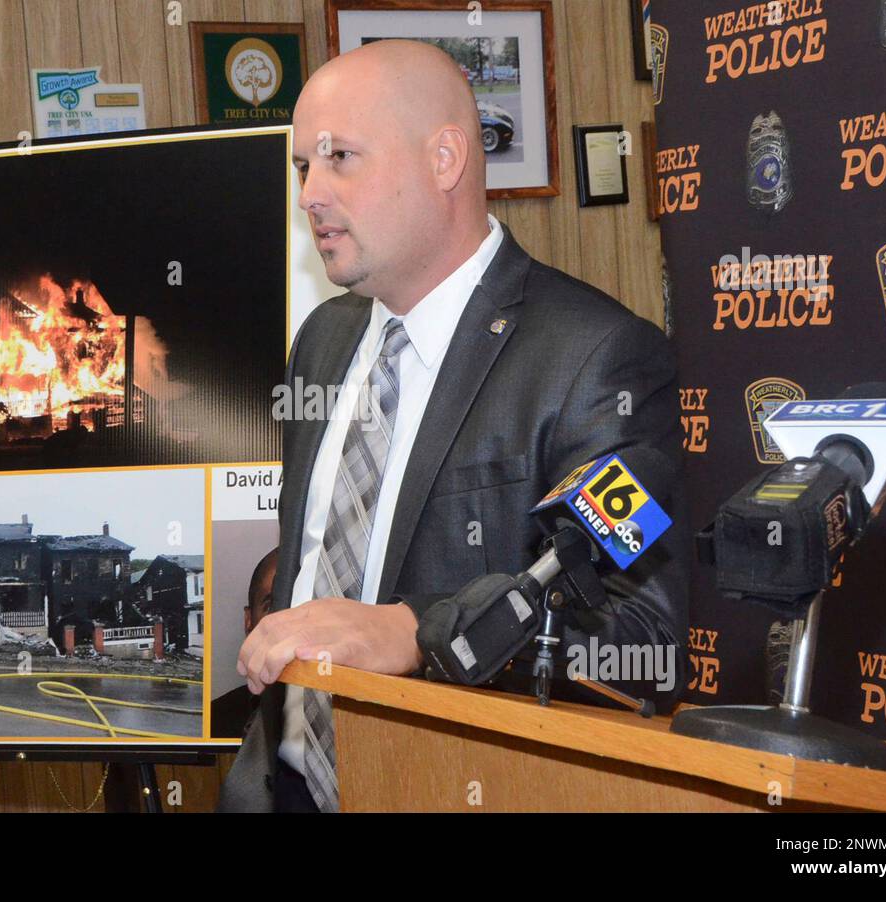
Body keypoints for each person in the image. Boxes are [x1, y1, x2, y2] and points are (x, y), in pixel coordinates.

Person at [219, 39, 690, 813]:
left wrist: (416, 636)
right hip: (286, 786)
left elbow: (643, 647)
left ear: (445, 159)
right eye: (304, 165)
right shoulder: (323, 344)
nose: (310, 193)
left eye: (341, 157)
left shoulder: (595, 358)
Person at [211, 548, 277, 739]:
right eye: (272, 606)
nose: (288, 624)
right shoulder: (217, 721)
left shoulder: (353, 721)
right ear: (249, 621)